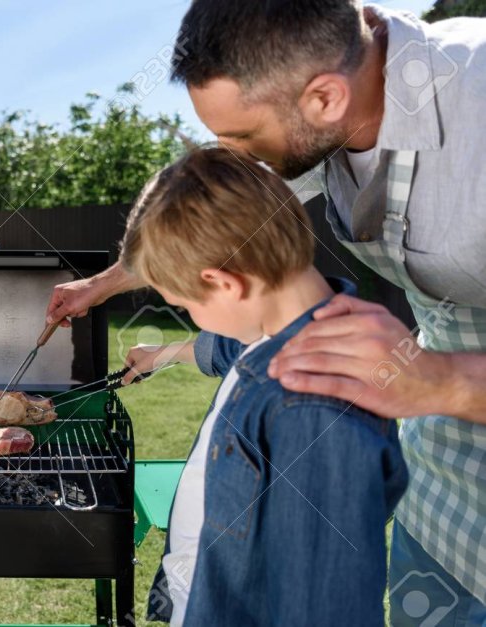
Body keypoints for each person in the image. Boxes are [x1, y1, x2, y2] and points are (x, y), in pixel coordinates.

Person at [47, 2, 486, 620]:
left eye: (242, 139)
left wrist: (445, 380)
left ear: (326, 98)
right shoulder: (318, 108)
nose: (231, 156)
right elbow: (222, 216)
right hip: (443, 486)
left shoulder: (478, 99)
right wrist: (107, 283)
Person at [120, 149, 406, 625]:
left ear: (223, 284)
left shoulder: (311, 402)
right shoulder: (276, 335)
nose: (194, 319)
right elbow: (225, 351)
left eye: (185, 303)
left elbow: (325, 604)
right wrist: (160, 356)